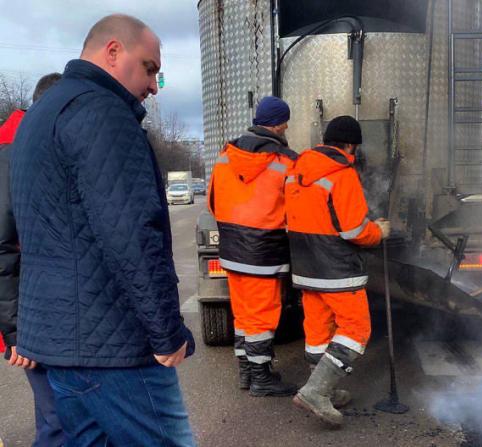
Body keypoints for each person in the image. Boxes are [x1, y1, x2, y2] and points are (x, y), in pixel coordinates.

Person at [10, 14, 195, 446]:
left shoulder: (40, 117)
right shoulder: (103, 113)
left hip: (60, 346)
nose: (153, 85)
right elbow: (131, 237)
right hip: (114, 348)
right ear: (113, 52)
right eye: (149, 68)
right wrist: (167, 333)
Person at [285, 116, 390, 427]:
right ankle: (316, 391)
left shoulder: (296, 171)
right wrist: (379, 231)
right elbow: (355, 230)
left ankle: (324, 390)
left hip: (306, 267)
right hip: (337, 269)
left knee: (318, 331)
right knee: (357, 330)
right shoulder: (342, 174)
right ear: (351, 146)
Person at [207, 96, 297, 396]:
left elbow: (212, 202)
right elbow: (298, 208)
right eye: (286, 122)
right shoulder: (285, 161)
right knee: (262, 316)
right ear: (280, 124)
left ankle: (247, 372)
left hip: (232, 251)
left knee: (244, 316)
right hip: (265, 252)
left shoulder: (225, 155)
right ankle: (261, 379)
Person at [1, 73, 64, 447]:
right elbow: (3, 248)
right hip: (33, 319)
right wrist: (15, 333)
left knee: (56, 415)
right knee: (60, 416)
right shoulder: (15, 154)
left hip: (49, 314)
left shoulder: (39, 146)